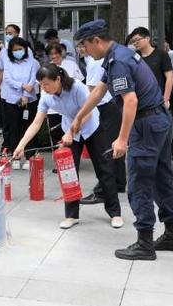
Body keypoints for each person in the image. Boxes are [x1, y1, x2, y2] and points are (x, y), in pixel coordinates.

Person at [71, 19, 173, 261]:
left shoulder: (118, 61)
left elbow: (130, 101)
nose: (85, 51)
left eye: (85, 46)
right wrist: (79, 116)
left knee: (139, 183)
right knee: (162, 179)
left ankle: (145, 242)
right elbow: (99, 90)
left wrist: (121, 139)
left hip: (145, 125)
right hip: (158, 121)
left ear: (96, 41)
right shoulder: (117, 54)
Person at [13, 64, 123, 229]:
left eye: (47, 84)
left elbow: (89, 112)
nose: (44, 88)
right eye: (41, 85)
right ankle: (72, 215)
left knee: (104, 170)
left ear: (58, 79)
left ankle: (115, 213)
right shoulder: (46, 95)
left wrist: (71, 132)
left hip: (91, 128)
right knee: (68, 173)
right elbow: (36, 123)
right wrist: (21, 145)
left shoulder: (77, 87)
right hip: (70, 132)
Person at [78, 42, 127, 205]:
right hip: (113, 106)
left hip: (104, 108)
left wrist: (82, 115)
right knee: (114, 147)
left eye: (84, 45)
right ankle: (119, 182)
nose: (81, 49)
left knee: (105, 150)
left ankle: (102, 191)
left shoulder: (95, 63)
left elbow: (93, 93)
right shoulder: (104, 60)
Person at [0, 37, 38, 167]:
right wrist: (22, 86)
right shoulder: (9, 63)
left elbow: (32, 80)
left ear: (25, 49)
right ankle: (16, 157)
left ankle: (29, 157)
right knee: (14, 128)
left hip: (30, 99)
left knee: (28, 128)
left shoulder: (32, 62)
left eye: (20, 49)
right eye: (15, 50)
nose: (18, 51)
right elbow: (8, 79)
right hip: (12, 99)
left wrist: (26, 94)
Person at [128, 27, 173, 108]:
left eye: (138, 40)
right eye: (133, 41)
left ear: (147, 38)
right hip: (140, 100)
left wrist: (166, 99)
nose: (135, 43)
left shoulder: (161, 54)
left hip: (158, 100)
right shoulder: (134, 57)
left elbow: (169, 77)